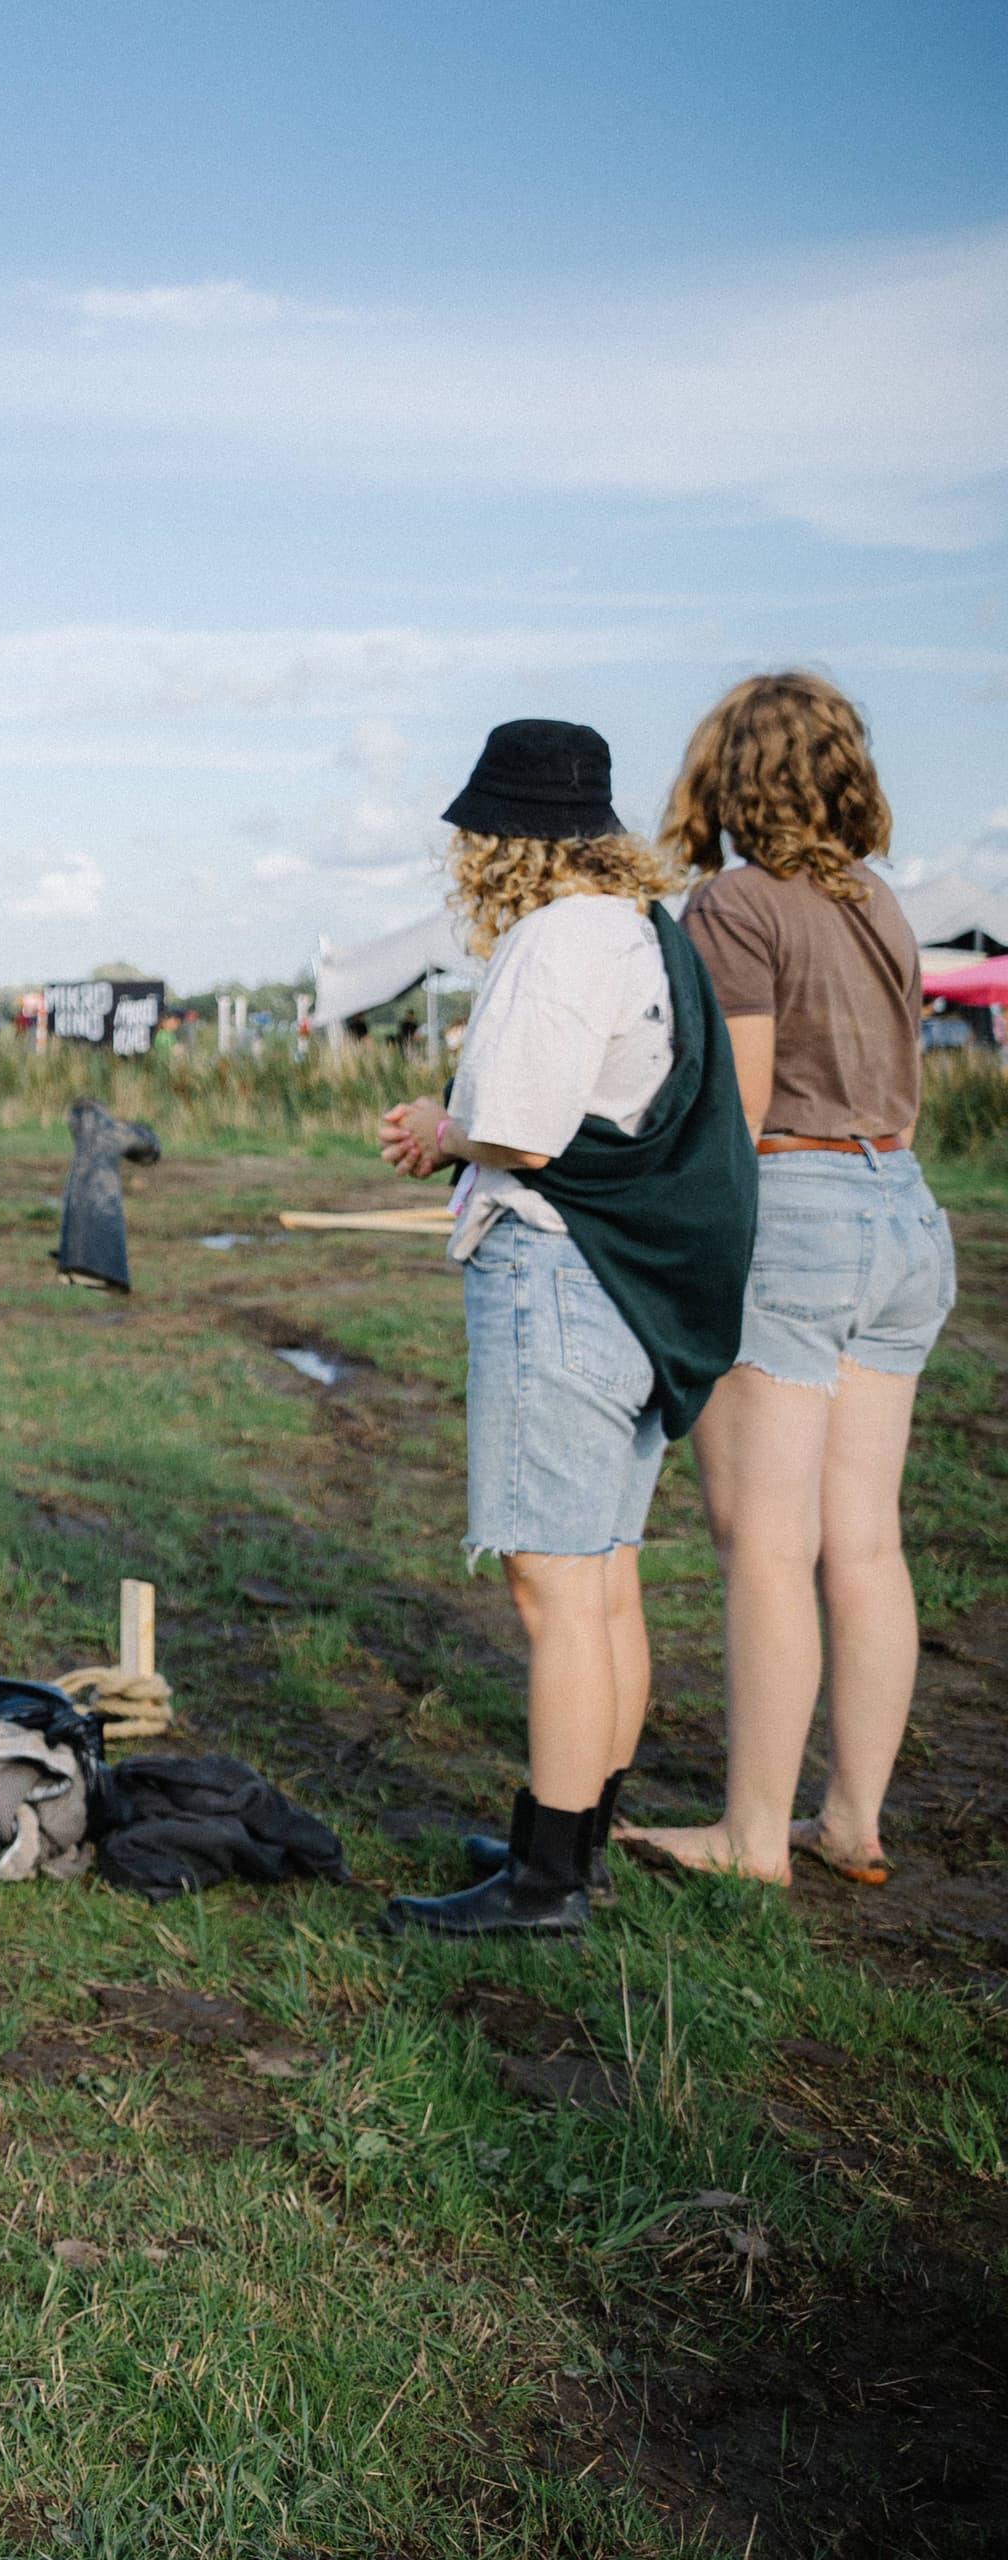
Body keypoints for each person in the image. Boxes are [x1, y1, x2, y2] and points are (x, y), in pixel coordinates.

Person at [374, 720, 755, 1938]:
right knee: (606, 1575)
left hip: (560, 1271)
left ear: (504, 838)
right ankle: (573, 1835)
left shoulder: (554, 938)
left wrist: (447, 1125)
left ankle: (545, 1885)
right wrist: (455, 1122)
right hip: (635, 1286)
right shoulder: (646, 929)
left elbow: (528, 1131)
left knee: (553, 1587)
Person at [618, 676, 957, 1889]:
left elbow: (743, 1112)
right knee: (862, 1542)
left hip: (804, 1210)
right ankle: (852, 1818)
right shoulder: (879, 903)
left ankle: (753, 1836)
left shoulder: (736, 905)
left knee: (762, 1542)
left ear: (727, 773)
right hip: (905, 1211)